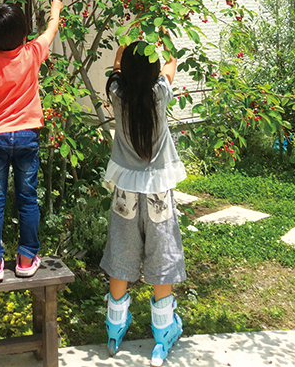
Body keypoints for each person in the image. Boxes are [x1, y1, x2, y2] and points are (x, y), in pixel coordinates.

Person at [100, 36, 187, 366]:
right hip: (158, 192)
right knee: (161, 254)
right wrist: (162, 43)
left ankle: (114, 327)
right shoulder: (159, 95)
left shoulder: (116, 94)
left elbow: (119, 65)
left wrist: (124, 47)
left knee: (122, 250)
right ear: (153, 73)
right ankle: (164, 333)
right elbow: (171, 65)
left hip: (125, 191)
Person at [0, 0, 63, 282]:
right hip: (27, 136)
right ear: (24, 34)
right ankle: (25, 258)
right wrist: (55, 9)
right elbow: (51, 30)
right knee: (27, 197)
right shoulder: (33, 52)